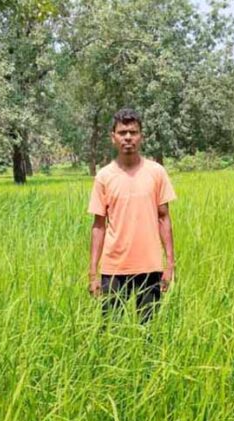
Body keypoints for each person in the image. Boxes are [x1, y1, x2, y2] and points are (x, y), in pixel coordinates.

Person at [87, 108, 177, 323]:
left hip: (150, 266)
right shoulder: (104, 177)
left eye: (133, 132)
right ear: (113, 137)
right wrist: (93, 273)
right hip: (113, 268)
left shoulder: (156, 172)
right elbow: (98, 226)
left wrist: (170, 264)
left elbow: (164, 218)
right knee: (111, 329)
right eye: (122, 132)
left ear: (141, 136)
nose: (128, 137)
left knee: (148, 329)